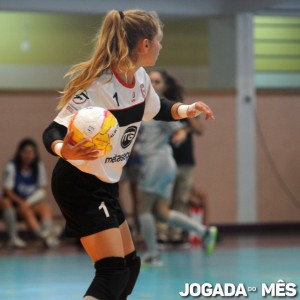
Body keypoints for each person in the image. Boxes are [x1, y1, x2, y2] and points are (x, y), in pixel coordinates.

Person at [42, 9, 215, 300]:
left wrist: (187, 109)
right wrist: (64, 149)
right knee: (112, 272)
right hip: (79, 183)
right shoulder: (99, 86)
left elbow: (157, 107)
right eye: (159, 41)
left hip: (105, 184)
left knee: (130, 266)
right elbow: (52, 131)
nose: (161, 47)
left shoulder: (140, 79)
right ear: (145, 45)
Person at [149, 69, 207, 245]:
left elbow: (200, 129)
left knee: (181, 198)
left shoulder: (178, 106)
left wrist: (187, 120)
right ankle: (161, 234)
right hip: (163, 160)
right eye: (150, 82)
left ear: (165, 85)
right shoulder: (151, 108)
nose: (153, 85)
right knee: (161, 199)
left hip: (184, 159)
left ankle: (177, 235)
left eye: (157, 82)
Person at [0, 138, 61, 248]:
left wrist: (28, 202)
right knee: (25, 210)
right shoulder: (12, 167)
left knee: (45, 207)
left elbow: (42, 189)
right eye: (26, 152)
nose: (29, 155)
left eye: (31, 152)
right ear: (20, 153)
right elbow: (7, 191)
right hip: (16, 204)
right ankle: (41, 235)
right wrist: (22, 202)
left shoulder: (38, 166)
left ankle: (48, 235)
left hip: (29, 202)